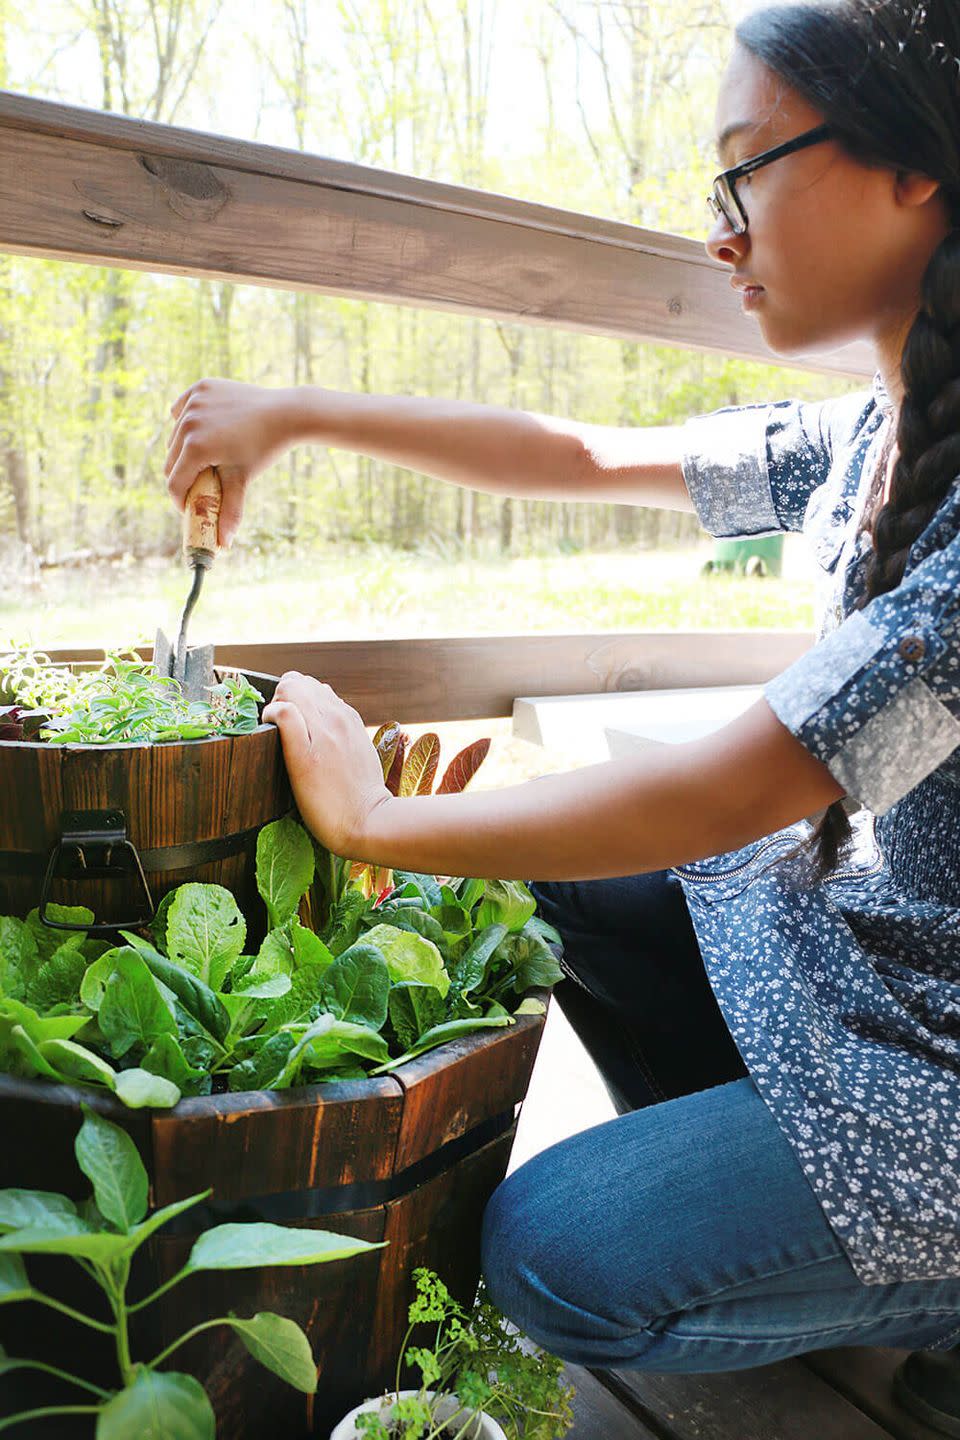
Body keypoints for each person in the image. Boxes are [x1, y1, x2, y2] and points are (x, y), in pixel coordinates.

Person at [165, 1, 960, 1430]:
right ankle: (786, 1228)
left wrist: (377, 816)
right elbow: (586, 452)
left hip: (941, 1065)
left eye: (748, 170)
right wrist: (293, 411)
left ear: (922, 168)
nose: (722, 231)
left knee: (551, 1258)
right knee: (582, 883)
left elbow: (755, 785)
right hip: (888, 970)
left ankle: (897, 1281)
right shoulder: (870, 434)